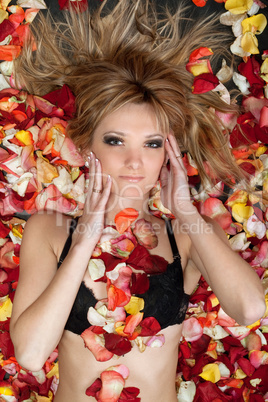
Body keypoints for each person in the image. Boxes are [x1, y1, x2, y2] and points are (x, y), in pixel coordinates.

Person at [9, 1, 266, 401]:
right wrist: (84, 241)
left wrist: (184, 210)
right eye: (115, 141)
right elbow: (29, 353)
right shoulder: (49, 231)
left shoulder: (187, 234)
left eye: (151, 144)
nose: (134, 161)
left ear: (168, 153)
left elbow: (250, 309)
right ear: (85, 145)